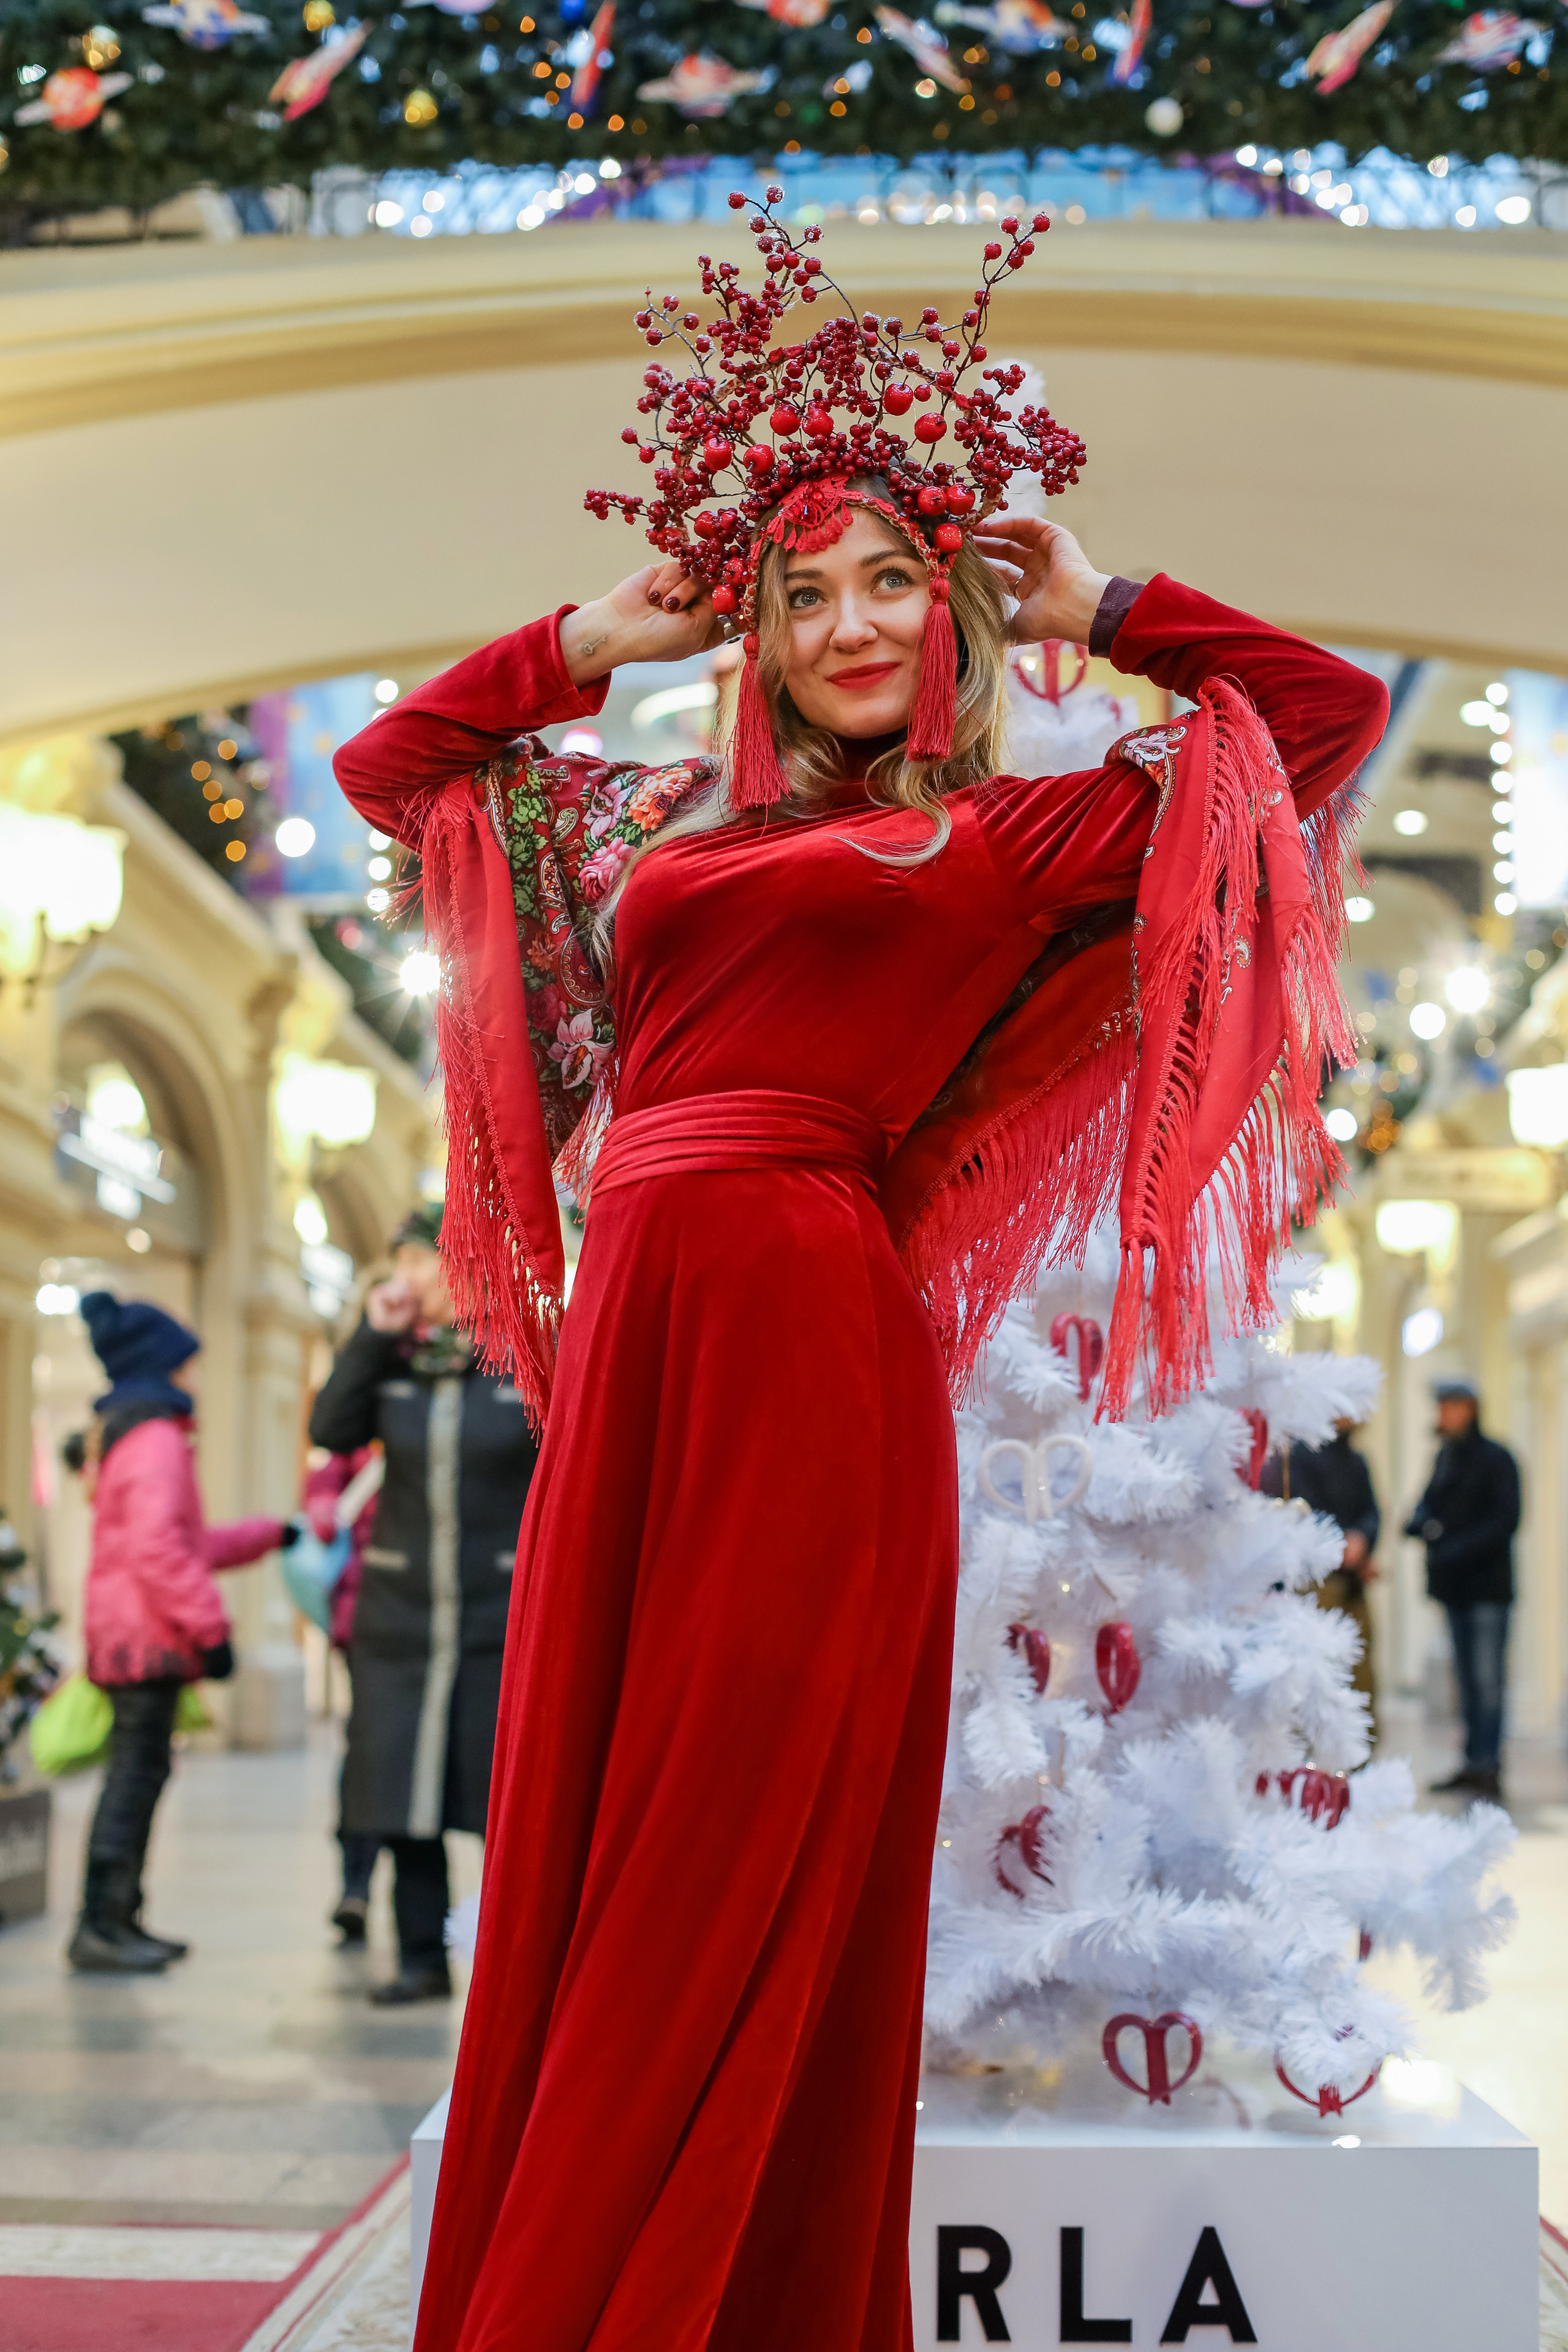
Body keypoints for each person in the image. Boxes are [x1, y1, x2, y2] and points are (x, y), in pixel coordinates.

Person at [333, 200, 1387, 2352]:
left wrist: (1117, 606)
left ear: (954, 609)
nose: (846, 623)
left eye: (891, 579)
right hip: (646, 1336)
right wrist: (581, 645)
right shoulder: (656, 836)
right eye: (803, 592)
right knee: (605, 1834)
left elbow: (1324, 717)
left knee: (728, 1853)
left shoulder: (1013, 838)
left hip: (809, 1338)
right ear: (762, 633)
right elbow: (398, 772)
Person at [307, 1205, 538, 2004]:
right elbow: (331, 1428)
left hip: (498, 1620)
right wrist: (371, 1337)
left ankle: (515, 1971)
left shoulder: (520, 1360)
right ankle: (419, 1957)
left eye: (424, 1261)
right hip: (400, 1622)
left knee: (503, 1803)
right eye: (402, 1261)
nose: (409, 1278)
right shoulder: (393, 1366)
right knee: (404, 1795)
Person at [70, 1292, 290, 1974]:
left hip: (133, 1633)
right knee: (133, 1780)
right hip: (145, 1641)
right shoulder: (156, 1439)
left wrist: (269, 1534)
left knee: (139, 1776)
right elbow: (160, 1552)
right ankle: (101, 1926)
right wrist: (213, 1631)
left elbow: (184, 1544)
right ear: (161, 1367)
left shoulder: (133, 1435)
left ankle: (119, 1917)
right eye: (187, 1365)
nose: (194, 1378)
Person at [1406, 1377, 1520, 1802]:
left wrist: (1453, 1545)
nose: (1443, 1416)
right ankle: (1473, 1762)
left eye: (1450, 1407)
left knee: (1489, 1683)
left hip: (1488, 1590)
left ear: (1469, 1409)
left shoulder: (1497, 1459)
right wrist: (1418, 1523)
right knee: (1468, 1684)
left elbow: (1506, 1519)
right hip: (1454, 1590)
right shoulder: (1445, 1458)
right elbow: (1427, 1506)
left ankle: (1489, 1766)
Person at [300, 1441, 385, 1943]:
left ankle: (360, 1886)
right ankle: (355, 1884)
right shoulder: (355, 1440)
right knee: (371, 1755)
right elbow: (324, 1513)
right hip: (368, 1623)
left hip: (409, 1618)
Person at [1263, 1417, 1381, 1737]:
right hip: (1317, 1580)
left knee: (1359, 1663)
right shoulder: (1297, 1459)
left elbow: (1372, 1512)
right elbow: (1302, 1511)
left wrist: (1363, 1540)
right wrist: (1340, 1543)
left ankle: (1360, 1743)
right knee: (1317, 1665)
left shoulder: (1357, 1461)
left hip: (1353, 1579)